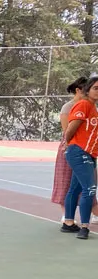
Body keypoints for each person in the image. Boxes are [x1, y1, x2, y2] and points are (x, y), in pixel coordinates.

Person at [60, 75, 98, 239]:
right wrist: (68, 145)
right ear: (87, 90)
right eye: (96, 88)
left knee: (75, 188)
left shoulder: (92, 107)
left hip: (88, 153)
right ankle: (84, 227)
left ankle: (68, 223)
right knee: (89, 189)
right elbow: (71, 128)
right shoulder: (83, 104)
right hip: (80, 152)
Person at [51, 77, 87, 212]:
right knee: (65, 182)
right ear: (78, 90)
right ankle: (66, 216)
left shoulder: (90, 107)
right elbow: (67, 132)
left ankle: (94, 214)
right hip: (70, 148)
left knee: (88, 183)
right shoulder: (67, 107)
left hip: (86, 149)